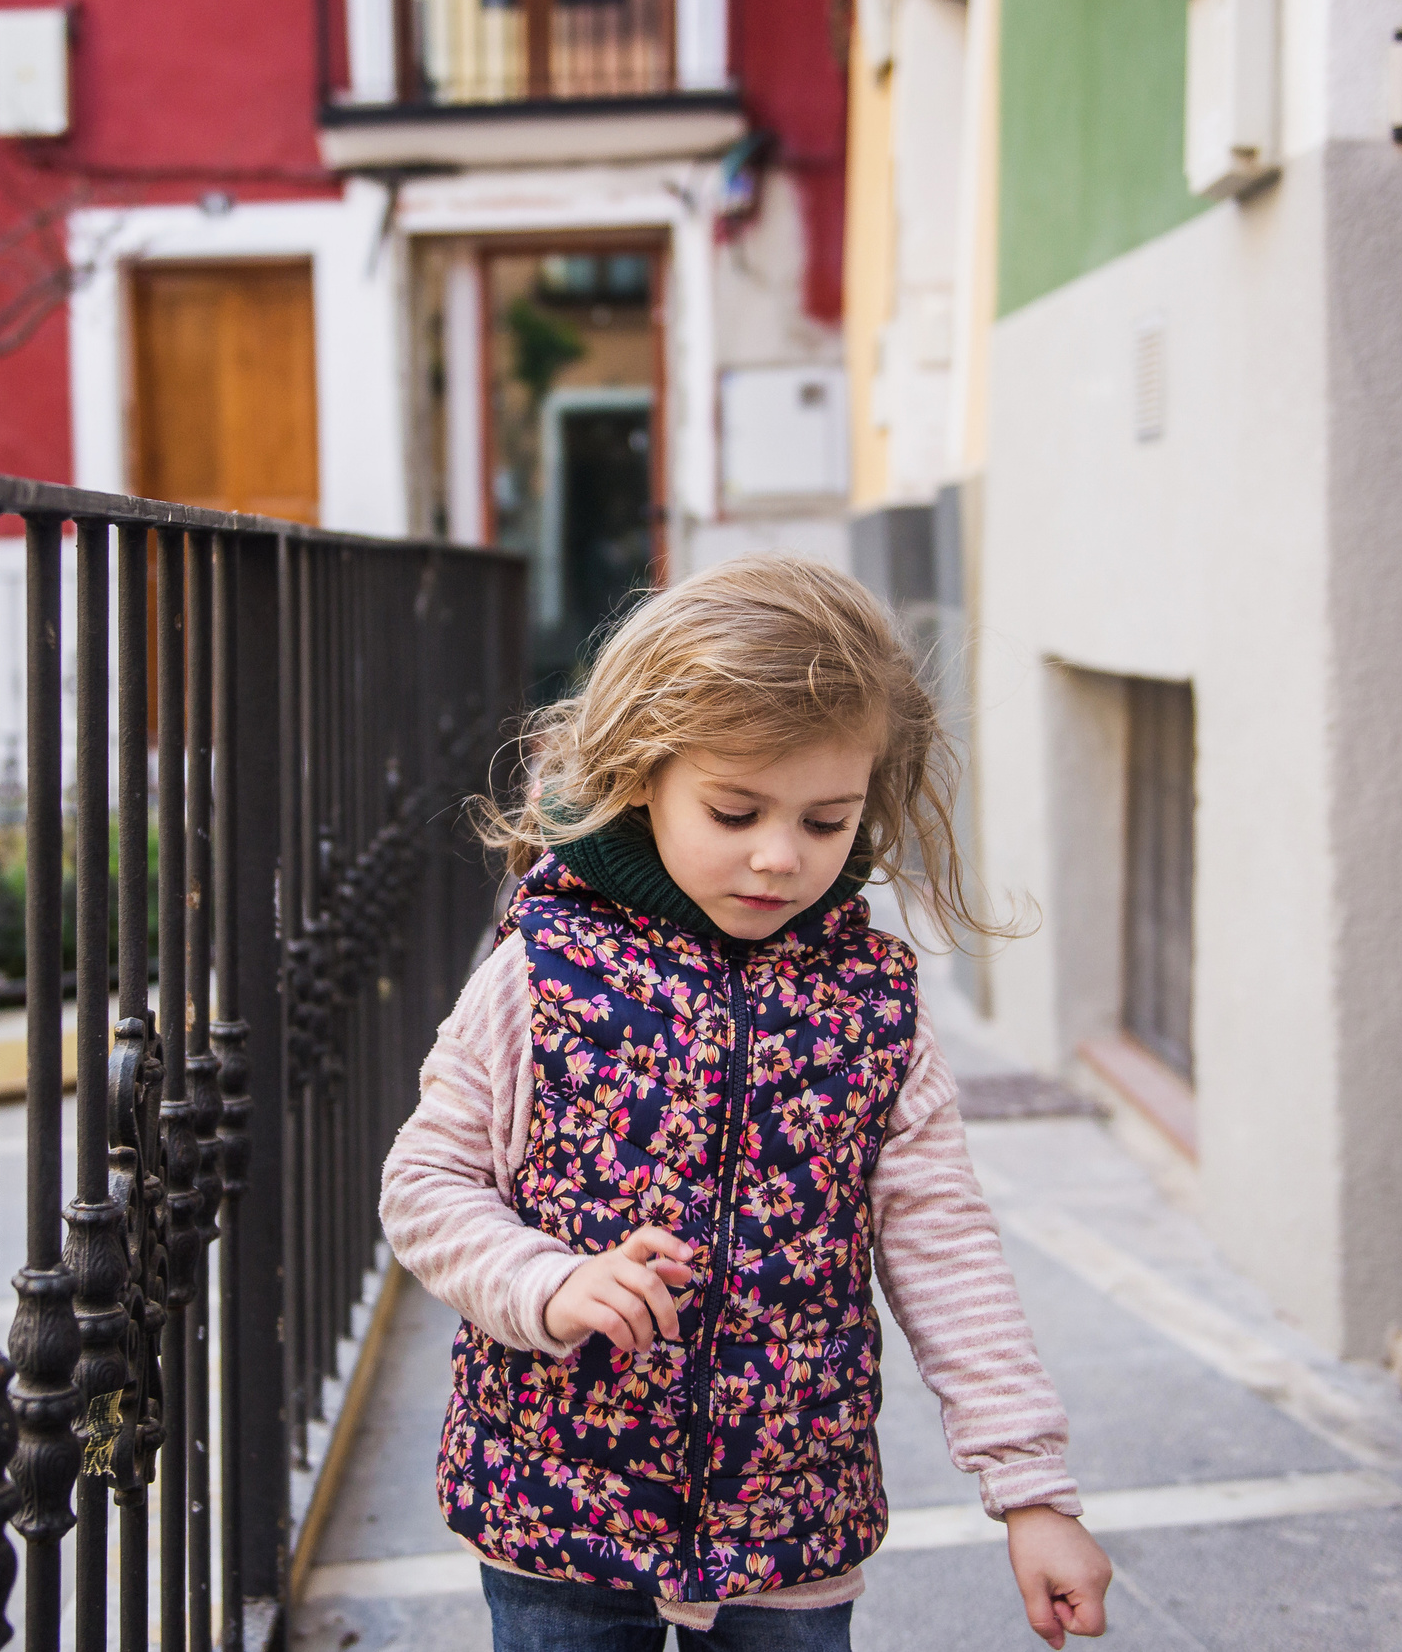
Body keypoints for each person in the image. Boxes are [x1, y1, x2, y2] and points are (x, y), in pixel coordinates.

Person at [379, 553, 1112, 1651]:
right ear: (642, 774)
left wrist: (1033, 1488)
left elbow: (944, 1243)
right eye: (734, 811)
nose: (778, 857)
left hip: (788, 1523)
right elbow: (424, 1184)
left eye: (825, 821)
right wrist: (549, 1282)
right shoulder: (542, 971)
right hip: (558, 1511)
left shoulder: (872, 1006)